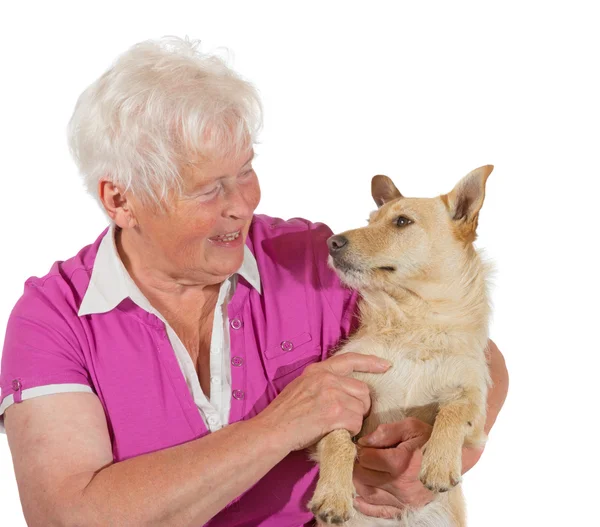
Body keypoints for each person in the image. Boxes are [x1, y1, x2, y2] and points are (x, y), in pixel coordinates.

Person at [0, 36, 509, 527]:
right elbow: (66, 516)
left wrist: (436, 457)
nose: (242, 204)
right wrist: (279, 427)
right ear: (120, 201)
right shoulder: (53, 318)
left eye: (244, 171)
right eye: (209, 189)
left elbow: (476, 355)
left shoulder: (310, 261)